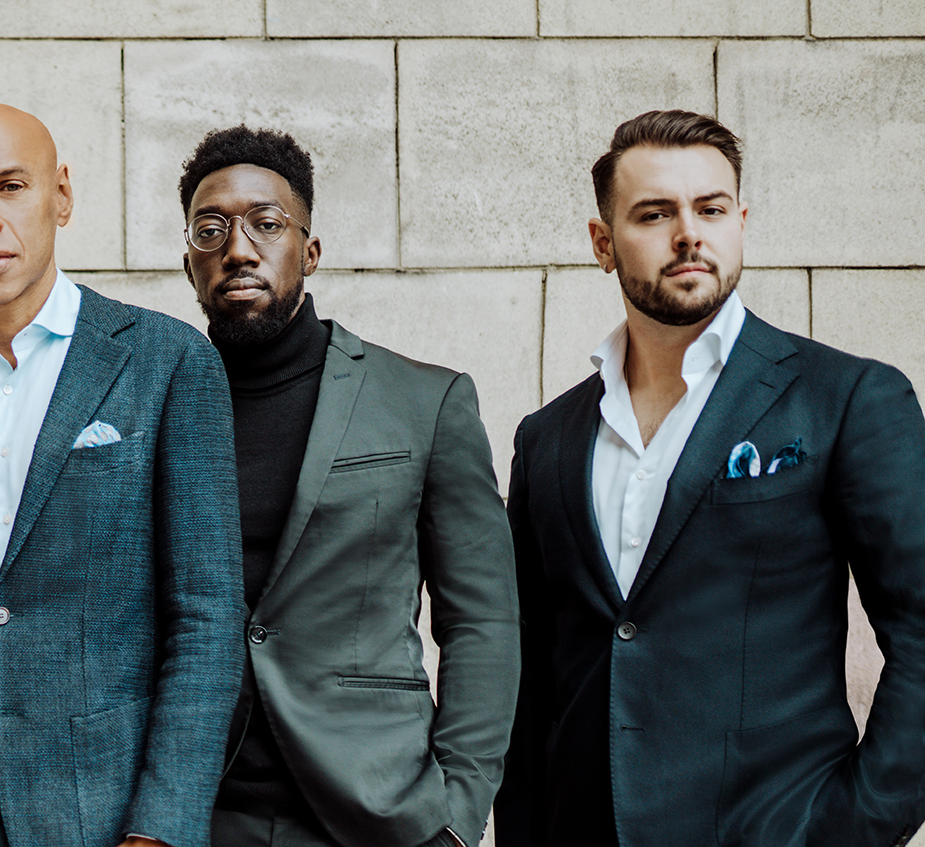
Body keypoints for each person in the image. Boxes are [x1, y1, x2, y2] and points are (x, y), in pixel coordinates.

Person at [497, 109, 925, 846]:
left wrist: (849, 830)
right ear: (603, 244)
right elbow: (529, 674)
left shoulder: (847, 398)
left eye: (711, 209)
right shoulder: (548, 440)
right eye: (655, 213)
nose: (688, 233)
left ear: (740, 223)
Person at [0, 102, 244, 847]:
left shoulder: (168, 363)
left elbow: (207, 623)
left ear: (62, 193)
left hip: (103, 817)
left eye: (10, 185)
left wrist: (160, 828)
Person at [177, 126, 519, 847]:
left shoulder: (425, 401)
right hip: (195, 812)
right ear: (189, 263)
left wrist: (457, 813)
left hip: (378, 811)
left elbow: (483, 621)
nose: (238, 248)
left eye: (266, 224)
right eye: (212, 229)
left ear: (309, 250)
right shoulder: (154, 406)